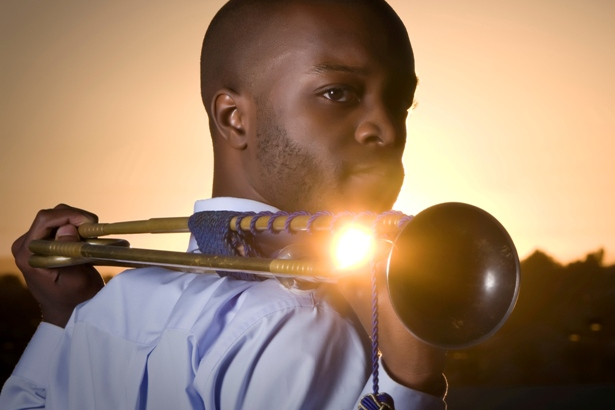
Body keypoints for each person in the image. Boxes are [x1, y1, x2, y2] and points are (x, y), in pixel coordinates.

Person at [1, 0, 448, 408]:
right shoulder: (302, 325)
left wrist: (60, 319)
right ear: (234, 118)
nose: (387, 129)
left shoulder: (113, 305)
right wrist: (410, 379)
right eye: (338, 92)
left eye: (400, 103)